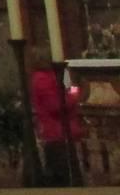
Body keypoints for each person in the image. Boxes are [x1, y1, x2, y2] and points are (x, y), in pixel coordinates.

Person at [29, 48, 87, 187]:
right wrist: (74, 96)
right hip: (56, 134)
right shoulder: (41, 79)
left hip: (65, 132)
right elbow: (55, 106)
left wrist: (74, 88)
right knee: (62, 177)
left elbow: (69, 88)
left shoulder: (56, 74)